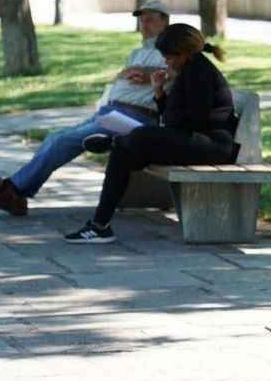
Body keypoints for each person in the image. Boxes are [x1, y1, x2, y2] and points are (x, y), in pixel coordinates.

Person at [0, 0, 173, 216]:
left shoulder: (171, 50)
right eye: (142, 20)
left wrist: (148, 73)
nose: (144, 24)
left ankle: (14, 188)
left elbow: (175, 70)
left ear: (165, 21)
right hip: (111, 113)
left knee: (63, 141)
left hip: (136, 119)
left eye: (150, 19)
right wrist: (122, 75)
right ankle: (17, 192)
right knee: (55, 136)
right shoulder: (137, 52)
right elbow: (120, 80)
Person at [64, 24, 239, 244]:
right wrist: (158, 91)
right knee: (123, 152)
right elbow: (173, 116)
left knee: (142, 135)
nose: (167, 62)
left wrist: (164, 130)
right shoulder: (188, 70)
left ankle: (114, 140)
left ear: (183, 52)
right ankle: (100, 225)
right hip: (193, 139)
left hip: (214, 144)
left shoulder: (199, 71)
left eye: (169, 57)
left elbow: (195, 116)